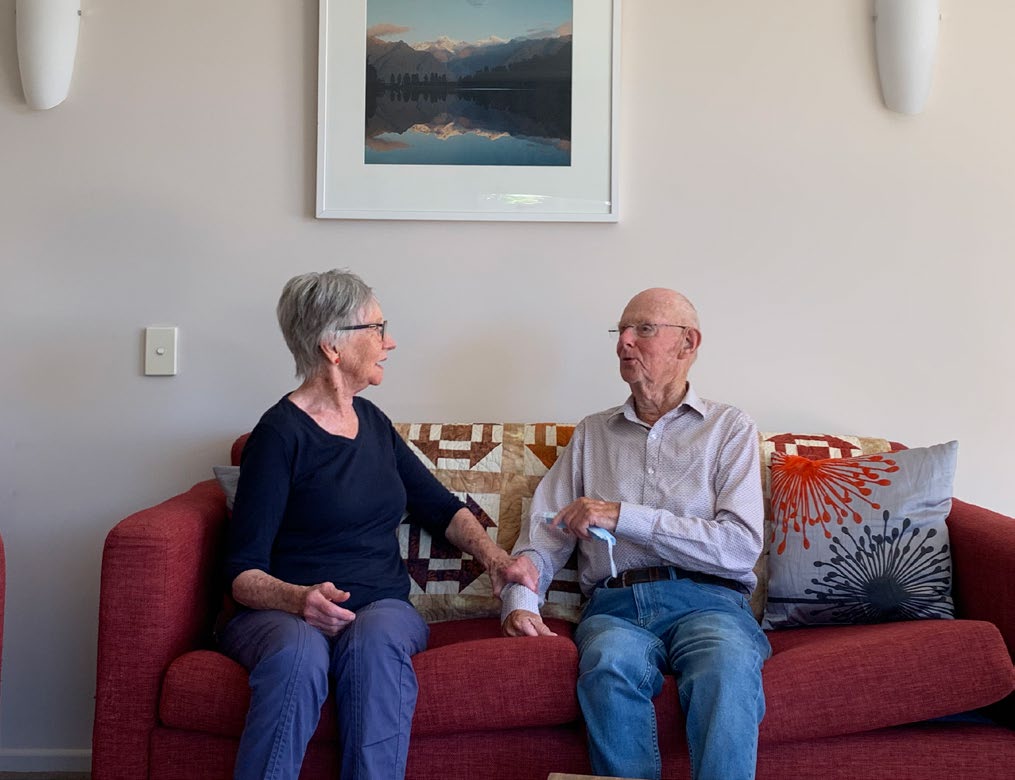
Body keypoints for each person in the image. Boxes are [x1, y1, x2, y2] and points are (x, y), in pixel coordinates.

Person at [220, 269, 537, 780]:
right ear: (332, 346)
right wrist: (299, 600)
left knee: (376, 640)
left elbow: (440, 507)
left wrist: (496, 559)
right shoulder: (277, 437)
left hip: (380, 605)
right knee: (297, 658)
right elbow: (242, 572)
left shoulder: (373, 423)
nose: (390, 342)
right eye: (376, 328)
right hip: (284, 613)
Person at [500, 288, 770, 780]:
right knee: (605, 664)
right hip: (615, 607)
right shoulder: (592, 434)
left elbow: (739, 546)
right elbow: (545, 533)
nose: (624, 341)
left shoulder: (729, 429)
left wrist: (624, 515)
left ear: (687, 344)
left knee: (725, 668)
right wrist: (519, 598)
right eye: (621, 330)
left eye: (643, 329)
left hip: (709, 601)